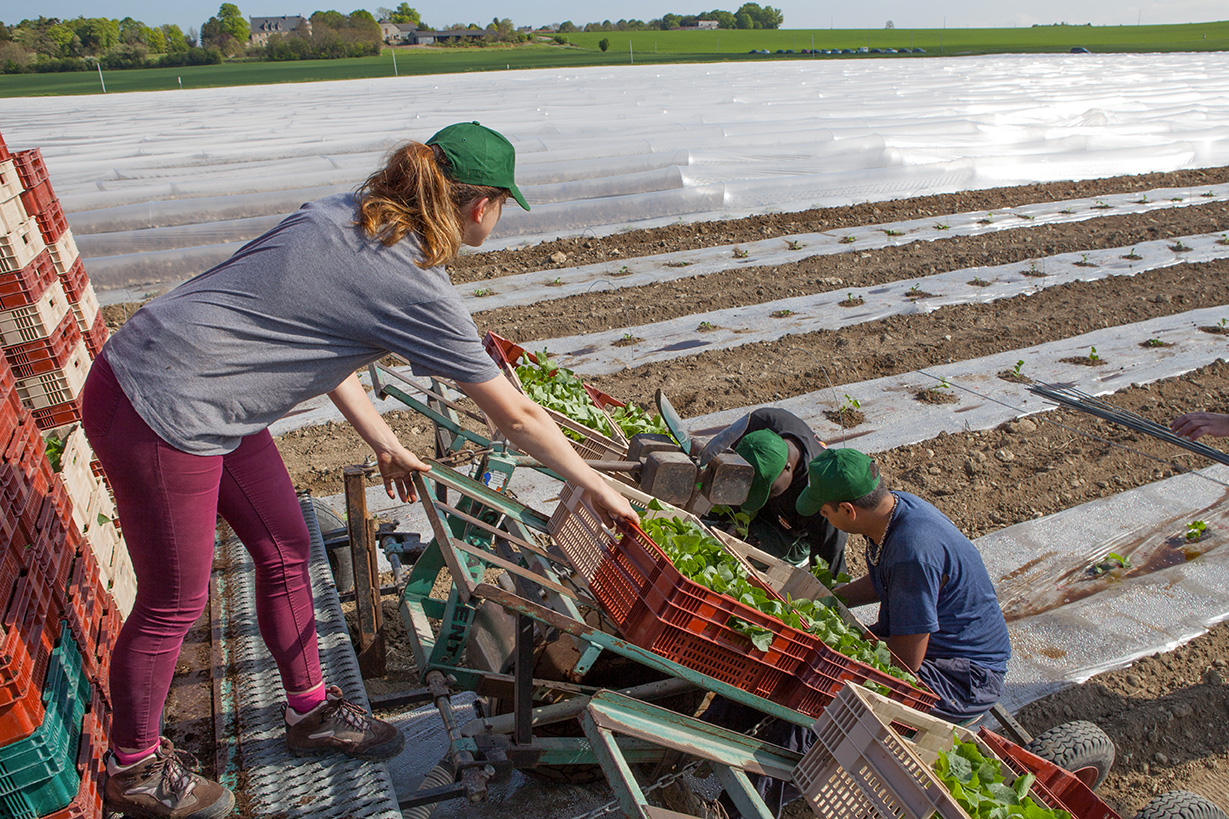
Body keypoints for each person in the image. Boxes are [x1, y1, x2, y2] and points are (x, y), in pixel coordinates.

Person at [82, 122, 637, 819]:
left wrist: (382, 440)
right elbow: (517, 416)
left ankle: (311, 710)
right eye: (502, 203)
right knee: (175, 600)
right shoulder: (414, 284)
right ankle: (133, 766)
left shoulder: (346, 214)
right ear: (479, 205)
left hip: (191, 382)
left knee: (285, 545)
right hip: (161, 403)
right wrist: (596, 481)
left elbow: (320, 335)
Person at [708, 448, 1010, 818]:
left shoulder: (913, 550)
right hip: (920, 645)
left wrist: (834, 654)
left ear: (848, 511)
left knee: (829, 704)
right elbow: (883, 579)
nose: (822, 516)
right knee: (799, 661)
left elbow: (906, 664)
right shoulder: (892, 513)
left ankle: (736, 808)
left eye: (825, 510)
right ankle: (706, 740)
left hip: (957, 676)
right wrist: (827, 601)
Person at [724, 408, 847, 575]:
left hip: (788, 532)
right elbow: (716, 456)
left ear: (787, 468)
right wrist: (734, 517)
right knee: (711, 529)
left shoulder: (822, 495)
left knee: (747, 563)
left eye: (770, 490)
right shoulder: (760, 423)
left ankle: (795, 559)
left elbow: (830, 568)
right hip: (758, 510)